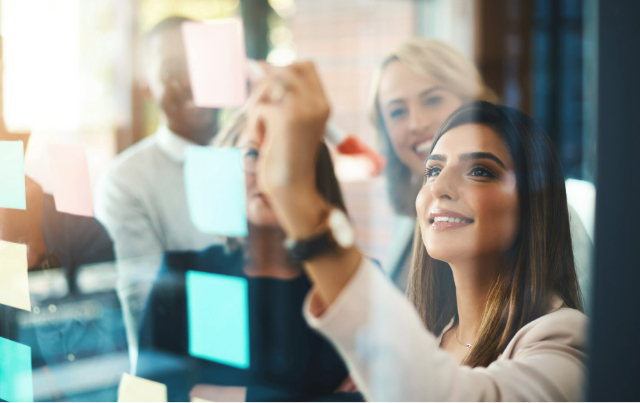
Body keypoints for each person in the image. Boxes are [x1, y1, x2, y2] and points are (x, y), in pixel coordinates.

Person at [248, 62, 587, 401]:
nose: (440, 186)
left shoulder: (565, 339)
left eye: (480, 171)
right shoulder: (431, 334)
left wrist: (296, 195)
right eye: (433, 170)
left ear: (534, 206)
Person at [137, 110, 359, 401]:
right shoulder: (185, 274)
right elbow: (149, 394)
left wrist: (221, 396)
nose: (268, 171)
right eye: (253, 154)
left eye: (287, 154)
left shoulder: (352, 281)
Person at [371, 38, 593, 304]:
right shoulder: (413, 214)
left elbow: (589, 327)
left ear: (472, 102)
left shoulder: (542, 209)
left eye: (432, 100)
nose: (416, 123)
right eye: (397, 112)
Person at [95, 16, 221, 373]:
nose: (191, 79)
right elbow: (149, 316)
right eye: (171, 70)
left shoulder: (257, 159)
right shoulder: (126, 181)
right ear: (146, 88)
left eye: (202, 63)